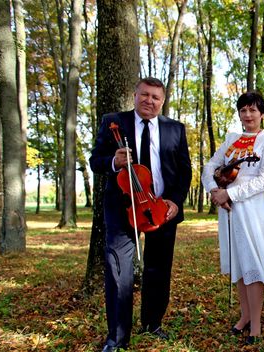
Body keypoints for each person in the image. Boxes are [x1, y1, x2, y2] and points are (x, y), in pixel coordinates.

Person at [89, 77, 192, 352]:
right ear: (135, 95)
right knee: (119, 271)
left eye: (155, 97)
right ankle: (117, 337)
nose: (149, 101)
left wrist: (175, 202)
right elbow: (96, 160)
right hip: (123, 208)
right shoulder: (114, 122)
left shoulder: (175, 129)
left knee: (158, 269)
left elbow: (185, 172)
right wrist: (114, 161)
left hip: (161, 209)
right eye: (144, 95)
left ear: (162, 101)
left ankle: (152, 323)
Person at [201, 91, 264, 344]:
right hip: (228, 208)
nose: (248, 115)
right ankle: (245, 315)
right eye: (243, 110)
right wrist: (214, 191)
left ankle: (257, 323)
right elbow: (209, 166)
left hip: (253, 208)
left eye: (253, 110)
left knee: (253, 264)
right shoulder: (231, 140)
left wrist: (231, 193)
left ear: (262, 113)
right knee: (238, 262)